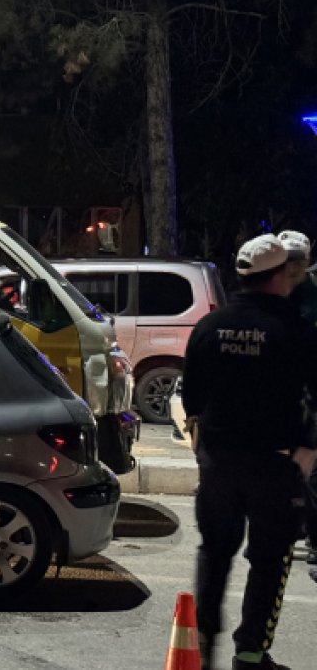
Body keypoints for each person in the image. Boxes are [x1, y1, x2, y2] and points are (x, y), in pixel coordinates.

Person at [183, 234, 317, 670]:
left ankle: (202, 644)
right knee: (270, 559)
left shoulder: (209, 326)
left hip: (219, 463)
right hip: (274, 465)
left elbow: (192, 398)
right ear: (279, 275)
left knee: (214, 551)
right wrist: (308, 449)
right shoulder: (294, 330)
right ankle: (251, 654)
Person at [279, 230, 317, 584]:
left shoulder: (312, 292)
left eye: (297, 260)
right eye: (286, 259)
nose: (291, 267)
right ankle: (282, 533)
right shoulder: (273, 291)